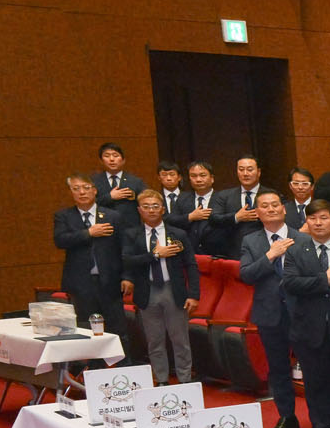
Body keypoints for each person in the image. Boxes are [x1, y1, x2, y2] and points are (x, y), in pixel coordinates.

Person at [281, 199, 330, 428]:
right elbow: (290, 283)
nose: (318, 223)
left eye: (323, 218)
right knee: (316, 383)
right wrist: (325, 280)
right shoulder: (296, 250)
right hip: (309, 328)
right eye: (312, 218)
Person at [236, 190, 303, 428]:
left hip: (303, 313)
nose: (271, 209)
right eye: (265, 206)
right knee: (278, 368)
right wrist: (270, 255)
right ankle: (287, 416)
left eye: (275, 204)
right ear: (257, 212)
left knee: (315, 368)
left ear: (284, 209)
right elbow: (246, 274)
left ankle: (323, 419)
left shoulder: (301, 238)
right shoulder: (250, 241)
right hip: (269, 313)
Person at [119, 192, 198, 383]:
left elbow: (191, 265)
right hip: (147, 291)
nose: (151, 210)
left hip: (174, 290)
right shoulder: (131, 234)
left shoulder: (178, 234)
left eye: (155, 206)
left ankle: (185, 379)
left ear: (163, 209)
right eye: (146, 206)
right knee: (154, 341)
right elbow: (127, 260)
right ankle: (162, 379)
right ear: (139, 210)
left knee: (180, 340)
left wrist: (194, 294)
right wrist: (155, 255)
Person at [215, 155, 267, 253]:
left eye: (250, 170)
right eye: (241, 170)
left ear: (259, 172)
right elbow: (214, 219)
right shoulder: (225, 196)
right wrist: (236, 217)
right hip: (233, 249)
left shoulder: (272, 195)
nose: (245, 174)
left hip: (265, 249)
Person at [182, 162, 228, 255]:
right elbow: (172, 220)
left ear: (212, 178)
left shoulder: (223, 198)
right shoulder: (182, 199)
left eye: (202, 175)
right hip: (190, 254)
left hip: (218, 254)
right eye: (194, 176)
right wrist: (189, 217)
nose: (198, 180)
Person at [92, 143, 144, 223]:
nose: (112, 159)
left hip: (130, 227)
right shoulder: (94, 181)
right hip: (103, 226)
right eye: (107, 156)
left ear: (123, 160)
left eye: (115, 155)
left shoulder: (135, 181)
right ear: (101, 161)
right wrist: (110, 197)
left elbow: (146, 201)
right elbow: (88, 204)